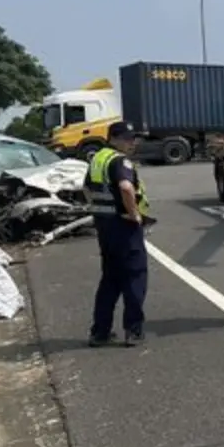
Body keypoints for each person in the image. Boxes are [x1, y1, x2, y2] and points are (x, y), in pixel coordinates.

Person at [84, 121, 151, 347]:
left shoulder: (97, 159)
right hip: (124, 226)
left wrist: (100, 211)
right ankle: (133, 330)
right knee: (135, 276)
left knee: (110, 280)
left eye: (133, 138)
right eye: (127, 139)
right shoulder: (119, 160)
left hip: (105, 227)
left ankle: (100, 332)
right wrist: (135, 215)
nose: (132, 143)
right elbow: (125, 187)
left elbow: (86, 189)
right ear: (113, 138)